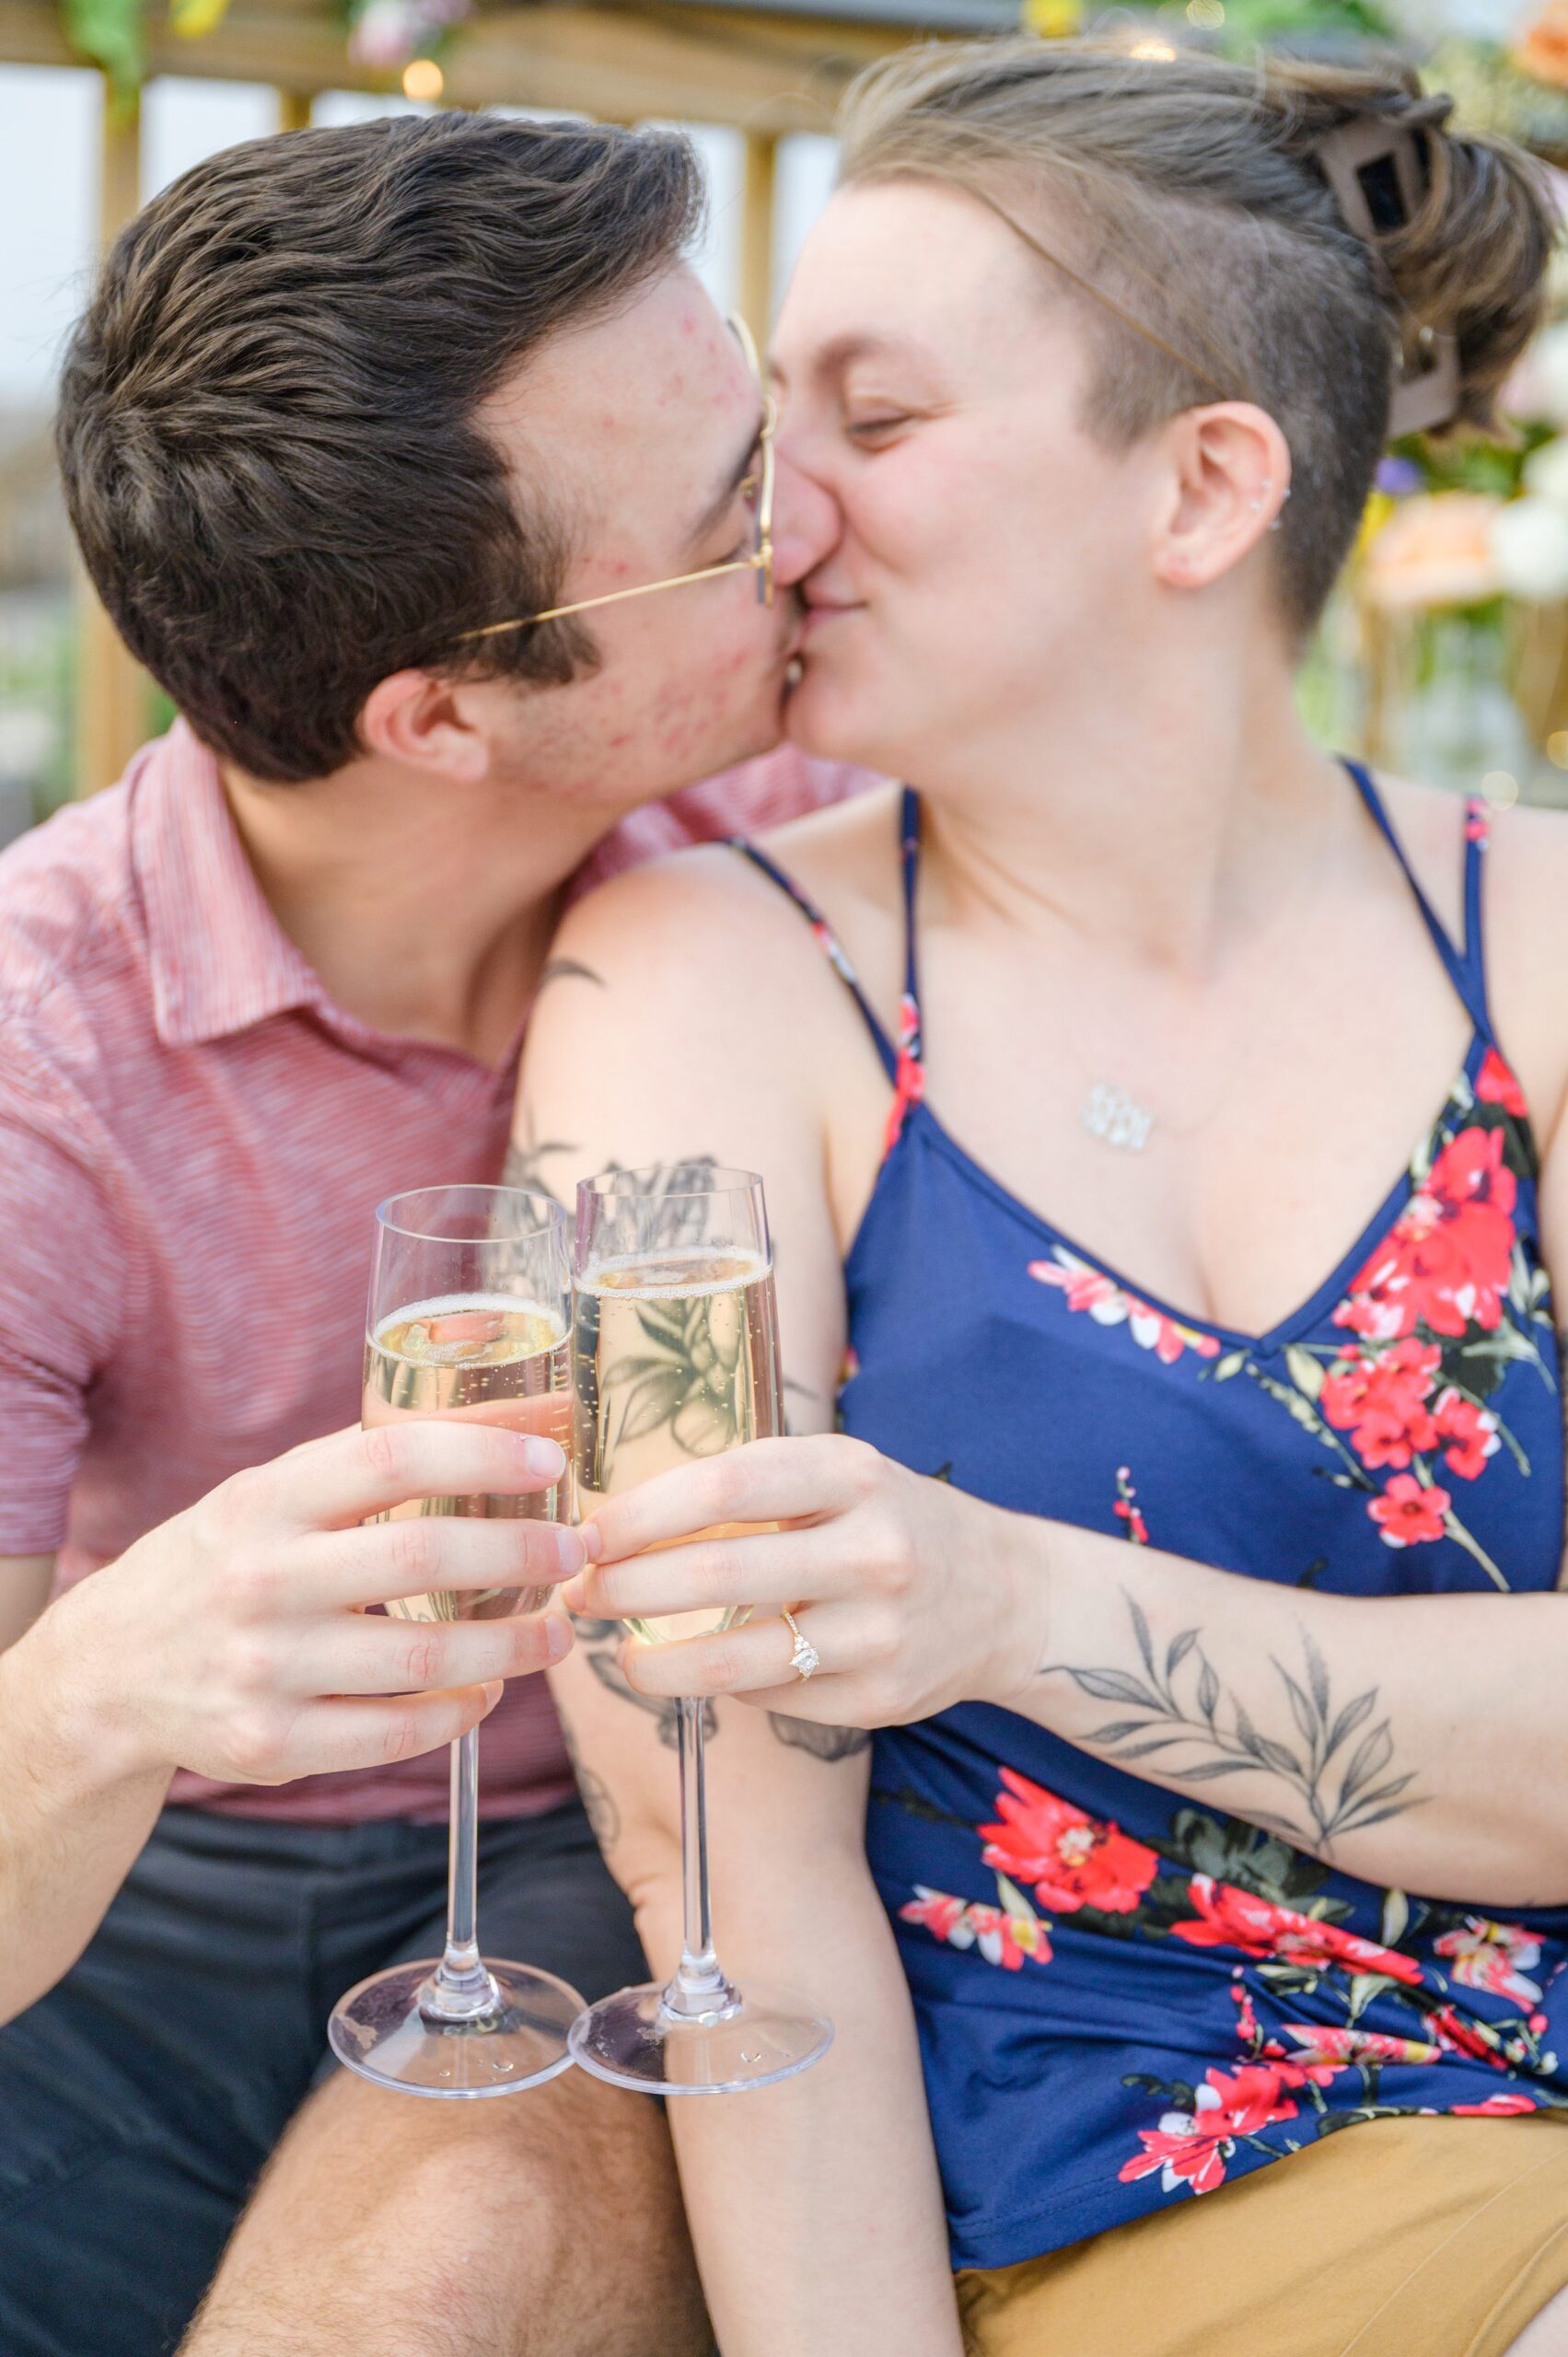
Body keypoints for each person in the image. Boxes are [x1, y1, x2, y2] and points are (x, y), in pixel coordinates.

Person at [517, 39, 1568, 2357]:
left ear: (1200, 489)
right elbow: (722, 1861)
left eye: (875, 430)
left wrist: (998, 1600)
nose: (777, 516)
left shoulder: (1549, 948)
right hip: (1173, 2206)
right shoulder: (692, 990)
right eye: (777, 429)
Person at [0, 110, 866, 2357]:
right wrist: (102, 1684)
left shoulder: (793, 830)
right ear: (445, 710)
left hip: (598, 1829)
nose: (822, 533)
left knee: (446, 2280)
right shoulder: (37, 1061)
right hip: (122, 1881)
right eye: (735, 519)